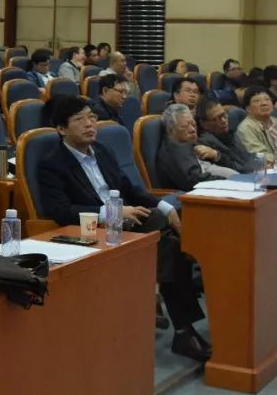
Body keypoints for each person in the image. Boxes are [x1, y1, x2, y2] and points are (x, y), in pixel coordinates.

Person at [37, 96, 210, 362]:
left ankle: (171, 315)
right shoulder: (51, 163)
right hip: (93, 229)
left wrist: (166, 207)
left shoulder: (102, 150)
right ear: (61, 129)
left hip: (126, 219)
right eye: (80, 119)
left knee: (175, 230)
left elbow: (131, 189)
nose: (89, 124)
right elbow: (60, 211)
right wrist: (113, 212)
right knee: (171, 245)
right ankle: (181, 329)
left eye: (91, 117)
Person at [156, 104, 238, 191]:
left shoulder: (195, 143)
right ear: (170, 130)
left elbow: (234, 164)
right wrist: (228, 182)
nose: (192, 129)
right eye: (185, 126)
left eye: (193, 124)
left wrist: (216, 155)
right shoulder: (175, 150)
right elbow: (194, 181)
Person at [235, 86, 277, 165]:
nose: (264, 103)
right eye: (257, 101)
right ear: (248, 108)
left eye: (267, 99)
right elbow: (260, 155)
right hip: (267, 168)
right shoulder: (245, 128)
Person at [195, 96, 255, 173]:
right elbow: (237, 169)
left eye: (224, 115)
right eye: (217, 118)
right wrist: (218, 156)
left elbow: (247, 158)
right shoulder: (205, 144)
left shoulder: (231, 133)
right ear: (204, 124)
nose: (224, 120)